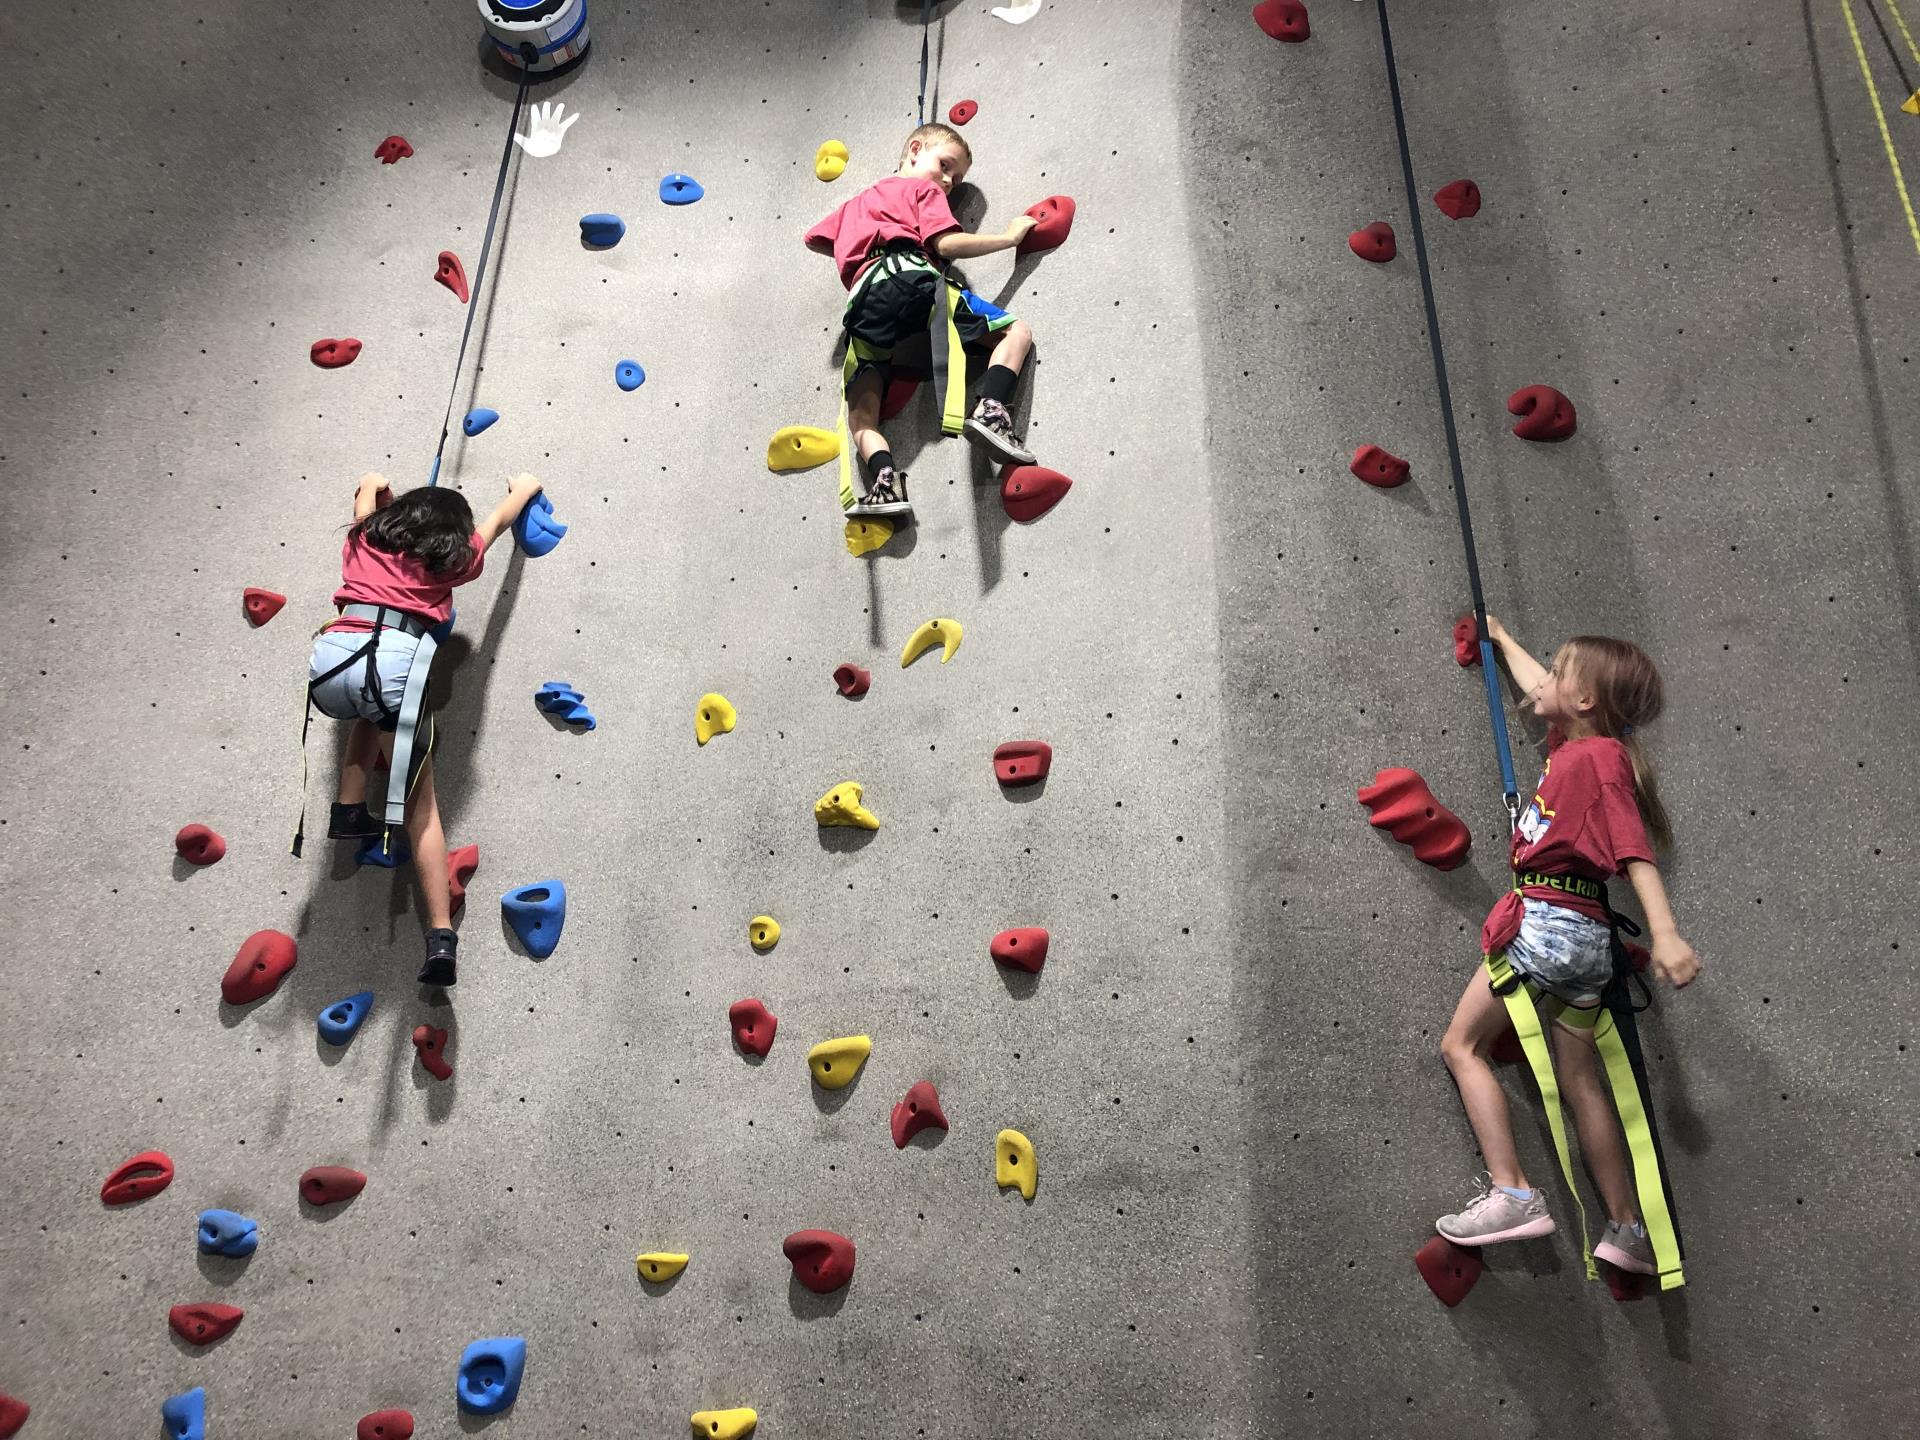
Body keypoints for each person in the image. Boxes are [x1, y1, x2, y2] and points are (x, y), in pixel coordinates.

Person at [1435, 619, 1702, 1275]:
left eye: (1559, 674)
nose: (1543, 682)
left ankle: (1514, 1194)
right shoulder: (1581, 749)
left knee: (1461, 1046)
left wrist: (1665, 932)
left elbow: (1634, 849)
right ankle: (1628, 1229)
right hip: (1585, 940)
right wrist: (1499, 638)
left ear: (1585, 701)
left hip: (1549, 923)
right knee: (1581, 1083)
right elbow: (1539, 686)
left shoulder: (1597, 762)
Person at [304, 471, 543, 986]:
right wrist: (523, 489)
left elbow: (364, 494)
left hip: (331, 662)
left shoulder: (364, 538)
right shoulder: (451, 559)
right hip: (391, 663)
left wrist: (374, 484)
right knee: (421, 809)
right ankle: (439, 936)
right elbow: (496, 523)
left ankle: (347, 809)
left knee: (370, 709)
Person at [804, 122, 1039, 519]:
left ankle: (885, 483)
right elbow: (945, 244)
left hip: (863, 308)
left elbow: (814, 238)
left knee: (861, 417)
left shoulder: (852, 206)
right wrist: (1009, 238)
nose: (948, 182)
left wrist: (859, 247)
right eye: (946, 166)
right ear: (914, 150)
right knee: (1016, 332)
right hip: (909, 282)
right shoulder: (921, 190)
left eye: (957, 178)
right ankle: (992, 410)